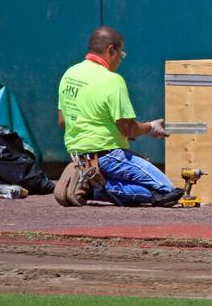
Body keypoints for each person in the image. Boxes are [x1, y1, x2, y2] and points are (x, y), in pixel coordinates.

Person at [56, 26, 183, 206]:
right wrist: (151, 126)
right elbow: (128, 128)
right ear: (111, 51)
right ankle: (95, 188)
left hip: (80, 156)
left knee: (146, 183)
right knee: (167, 190)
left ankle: (90, 179)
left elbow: (63, 122)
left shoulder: (70, 74)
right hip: (109, 155)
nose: (120, 60)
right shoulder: (112, 80)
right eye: (121, 55)